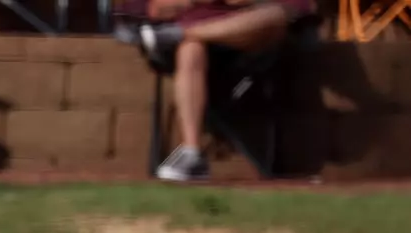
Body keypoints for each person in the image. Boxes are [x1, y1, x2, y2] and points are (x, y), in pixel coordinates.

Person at [127, 0, 313, 182]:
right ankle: (192, 154)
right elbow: (156, 8)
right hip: (193, 43)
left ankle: (180, 34)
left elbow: (298, 9)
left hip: (251, 39)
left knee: (276, 15)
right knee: (191, 49)